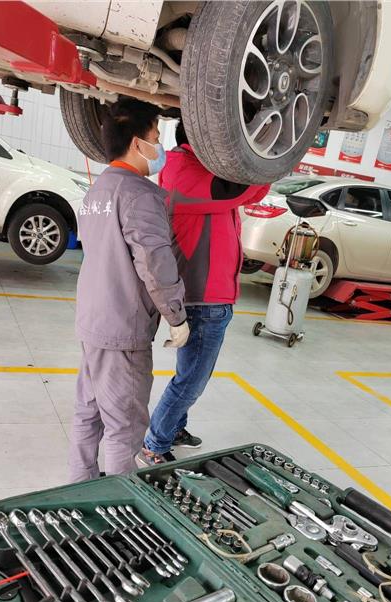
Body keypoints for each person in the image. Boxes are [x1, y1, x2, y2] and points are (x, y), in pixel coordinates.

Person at [136, 121, 270, 467]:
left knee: (191, 373)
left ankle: (174, 428)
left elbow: (252, 193)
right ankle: (154, 444)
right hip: (203, 296)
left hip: (213, 295)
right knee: (191, 381)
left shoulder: (205, 171)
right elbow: (240, 189)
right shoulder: (183, 169)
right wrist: (268, 154)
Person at [69, 99, 189, 482]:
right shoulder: (141, 194)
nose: (159, 146)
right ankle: (123, 502)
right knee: (124, 426)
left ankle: (80, 486)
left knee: (88, 413)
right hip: (123, 328)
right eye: (156, 136)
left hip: (92, 321)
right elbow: (155, 264)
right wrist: (176, 316)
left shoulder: (96, 191)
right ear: (138, 143)